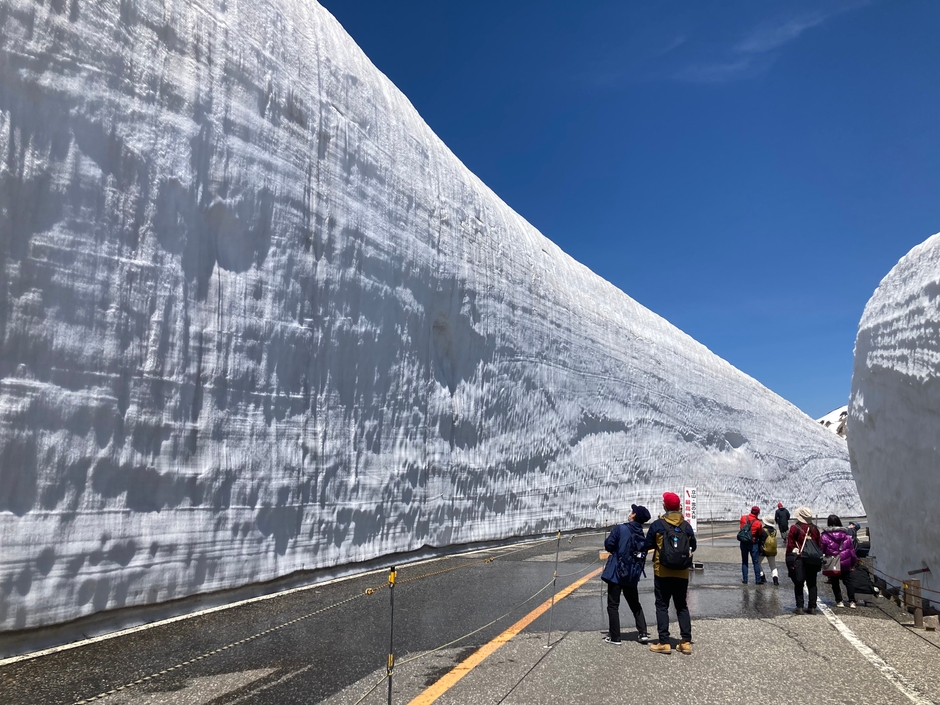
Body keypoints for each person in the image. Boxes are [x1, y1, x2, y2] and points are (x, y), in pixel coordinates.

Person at [643, 492, 696, 654]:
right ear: (679, 507)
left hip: (662, 571)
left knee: (662, 605)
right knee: (681, 606)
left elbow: (647, 544)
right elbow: (693, 546)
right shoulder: (686, 526)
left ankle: (664, 642)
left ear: (664, 506)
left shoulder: (658, 525)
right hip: (682, 573)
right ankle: (686, 642)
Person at [601, 504, 652, 644]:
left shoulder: (621, 528)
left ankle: (615, 637)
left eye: (632, 511)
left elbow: (609, 545)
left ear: (634, 515)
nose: (630, 513)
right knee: (635, 603)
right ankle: (643, 632)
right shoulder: (641, 534)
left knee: (613, 605)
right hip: (632, 574)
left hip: (616, 573)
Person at [786, 506, 822, 614]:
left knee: (799, 582)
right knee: (812, 583)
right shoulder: (815, 529)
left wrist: (790, 557)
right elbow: (818, 544)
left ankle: (800, 607)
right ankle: (812, 607)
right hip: (813, 559)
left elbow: (790, 545)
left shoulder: (795, 528)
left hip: (800, 558)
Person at [821, 515, 859, 608]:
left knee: (834, 582)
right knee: (849, 581)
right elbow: (852, 551)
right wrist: (853, 563)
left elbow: (822, 549)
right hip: (845, 560)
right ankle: (852, 601)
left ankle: (839, 601)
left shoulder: (824, 536)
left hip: (833, 561)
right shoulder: (846, 536)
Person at [739, 506, 765, 584]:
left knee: (744, 561)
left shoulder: (743, 518)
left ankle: (745, 579)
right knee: (755, 562)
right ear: (758, 513)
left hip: (743, 542)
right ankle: (758, 580)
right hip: (753, 543)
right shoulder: (758, 523)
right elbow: (760, 533)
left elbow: (741, 528)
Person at [758, 521, 780, 586]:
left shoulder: (762, 530)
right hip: (771, 550)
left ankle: (762, 576)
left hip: (762, 549)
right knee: (773, 565)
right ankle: (775, 580)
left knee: (757, 563)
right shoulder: (774, 531)